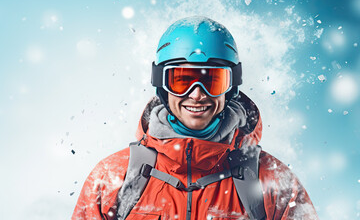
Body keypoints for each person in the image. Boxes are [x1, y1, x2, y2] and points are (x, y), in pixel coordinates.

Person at [72, 16, 318, 220]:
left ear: (231, 87)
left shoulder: (274, 183)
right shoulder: (112, 178)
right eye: (181, 80)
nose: (197, 94)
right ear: (162, 85)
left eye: (212, 80)